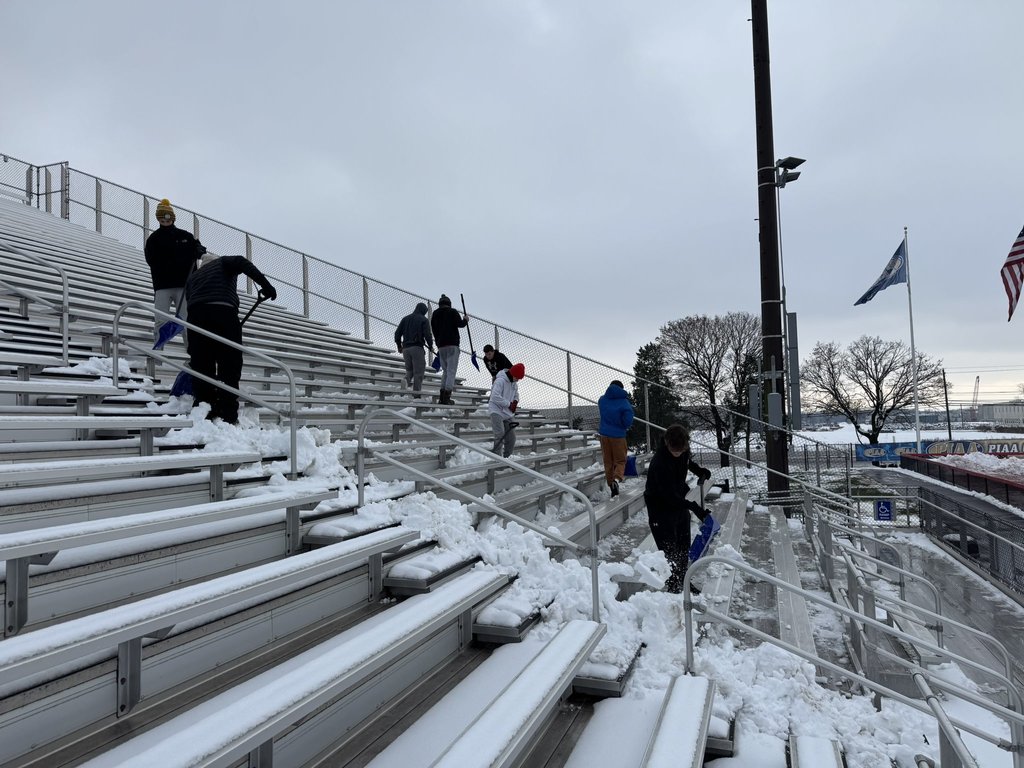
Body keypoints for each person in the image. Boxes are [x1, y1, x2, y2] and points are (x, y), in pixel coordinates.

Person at [184, 255, 277, 424]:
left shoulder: (193, 277)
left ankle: (205, 409)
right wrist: (266, 285)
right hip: (223, 311)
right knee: (230, 365)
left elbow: (189, 300)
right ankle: (228, 414)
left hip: (196, 317)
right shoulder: (222, 262)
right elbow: (242, 261)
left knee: (202, 366)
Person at [644, 424, 713, 594]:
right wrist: (694, 508)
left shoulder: (683, 452)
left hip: (678, 503)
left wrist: (699, 471)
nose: (677, 453)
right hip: (660, 508)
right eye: (674, 450)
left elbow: (687, 461)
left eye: (680, 450)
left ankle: (683, 581)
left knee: (683, 546)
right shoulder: (659, 463)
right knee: (670, 551)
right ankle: (674, 586)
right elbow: (668, 496)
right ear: (667, 443)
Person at [145, 199, 205, 345]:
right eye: (161, 217)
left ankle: (193, 356)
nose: (165, 219)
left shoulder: (186, 236)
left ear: (172, 217)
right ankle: (157, 353)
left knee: (186, 321)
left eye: (167, 216)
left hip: (184, 286)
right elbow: (151, 260)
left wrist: (199, 251)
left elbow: (199, 250)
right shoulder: (154, 239)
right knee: (161, 320)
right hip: (162, 286)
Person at [597, 379, 635, 497]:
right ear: (621, 389)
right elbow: (628, 420)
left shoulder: (602, 400)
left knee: (608, 461)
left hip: (604, 435)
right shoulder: (624, 403)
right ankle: (616, 480)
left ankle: (611, 485)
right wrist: (623, 425)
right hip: (618, 436)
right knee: (620, 461)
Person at [429, 294, 468, 404]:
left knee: (445, 371)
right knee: (451, 371)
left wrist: (437, 343)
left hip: (441, 346)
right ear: (449, 304)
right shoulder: (452, 312)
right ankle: (447, 396)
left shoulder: (435, 314)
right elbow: (460, 324)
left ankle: (442, 396)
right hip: (452, 344)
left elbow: (434, 330)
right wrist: (465, 320)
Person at [394, 302, 433, 396]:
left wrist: (399, 345)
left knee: (410, 371)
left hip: (406, 349)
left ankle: (405, 381)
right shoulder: (424, 320)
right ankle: (416, 394)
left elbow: (397, 333)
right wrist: (431, 346)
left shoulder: (405, 319)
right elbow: (428, 335)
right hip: (417, 348)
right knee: (418, 372)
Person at [488, 363, 525, 457]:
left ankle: (507, 458)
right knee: (500, 434)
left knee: (512, 438)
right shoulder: (500, 381)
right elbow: (494, 397)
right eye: (517, 377)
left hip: (507, 413)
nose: (518, 380)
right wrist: (509, 404)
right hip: (496, 410)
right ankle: (497, 458)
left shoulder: (514, 383)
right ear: (513, 374)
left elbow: (516, 395)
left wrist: (515, 402)